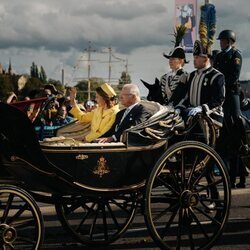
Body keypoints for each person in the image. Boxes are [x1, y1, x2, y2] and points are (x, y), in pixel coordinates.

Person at [213, 29, 245, 188]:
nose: (221, 42)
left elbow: (234, 76)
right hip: (221, 96)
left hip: (232, 93)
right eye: (221, 40)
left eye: (224, 40)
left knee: (236, 121)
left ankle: (244, 142)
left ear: (230, 42)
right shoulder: (218, 56)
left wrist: (222, 87)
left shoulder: (235, 55)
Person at [176, 40, 225, 130]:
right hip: (192, 113)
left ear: (206, 59)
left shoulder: (217, 76)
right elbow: (186, 97)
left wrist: (202, 108)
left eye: (197, 57)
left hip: (210, 115)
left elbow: (219, 100)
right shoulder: (191, 75)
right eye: (194, 57)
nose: (194, 60)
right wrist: (179, 108)